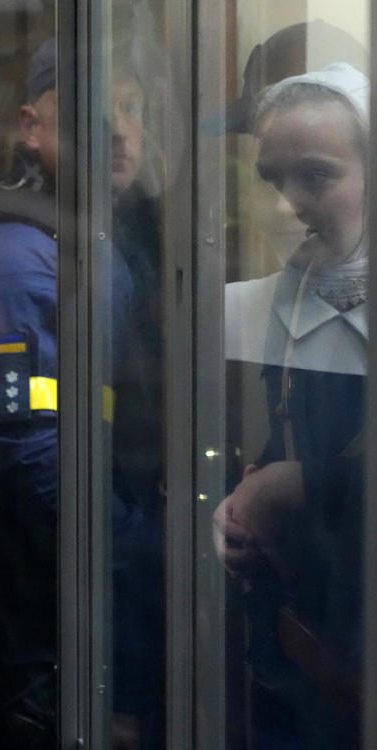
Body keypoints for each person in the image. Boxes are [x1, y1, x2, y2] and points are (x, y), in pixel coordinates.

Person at [0, 38, 158, 748]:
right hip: (38, 640)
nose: (119, 128)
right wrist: (163, 554)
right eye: (95, 107)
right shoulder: (14, 256)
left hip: (87, 617)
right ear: (32, 127)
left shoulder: (97, 244)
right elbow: (38, 471)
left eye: (132, 107)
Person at [214, 63, 368, 748]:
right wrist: (240, 510)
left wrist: (298, 486)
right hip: (301, 657)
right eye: (270, 178)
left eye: (315, 175)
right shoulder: (268, 303)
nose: (284, 204)